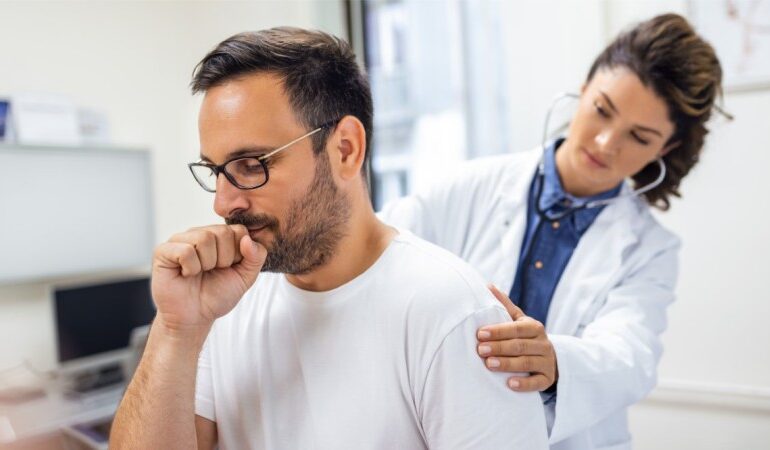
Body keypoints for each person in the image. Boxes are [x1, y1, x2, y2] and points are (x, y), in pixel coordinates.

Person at [110, 27, 548, 449]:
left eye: (250, 164)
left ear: (345, 150)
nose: (223, 204)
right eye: (216, 171)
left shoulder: (448, 311)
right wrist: (175, 330)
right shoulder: (222, 307)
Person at [380, 13, 726, 450]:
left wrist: (557, 361)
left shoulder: (650, 249)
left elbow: (631, 354)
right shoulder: (469, 185)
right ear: (583, 91)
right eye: (602, 111)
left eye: (638, 137)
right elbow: (379, 251)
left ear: (666, 147)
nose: (605, 143)